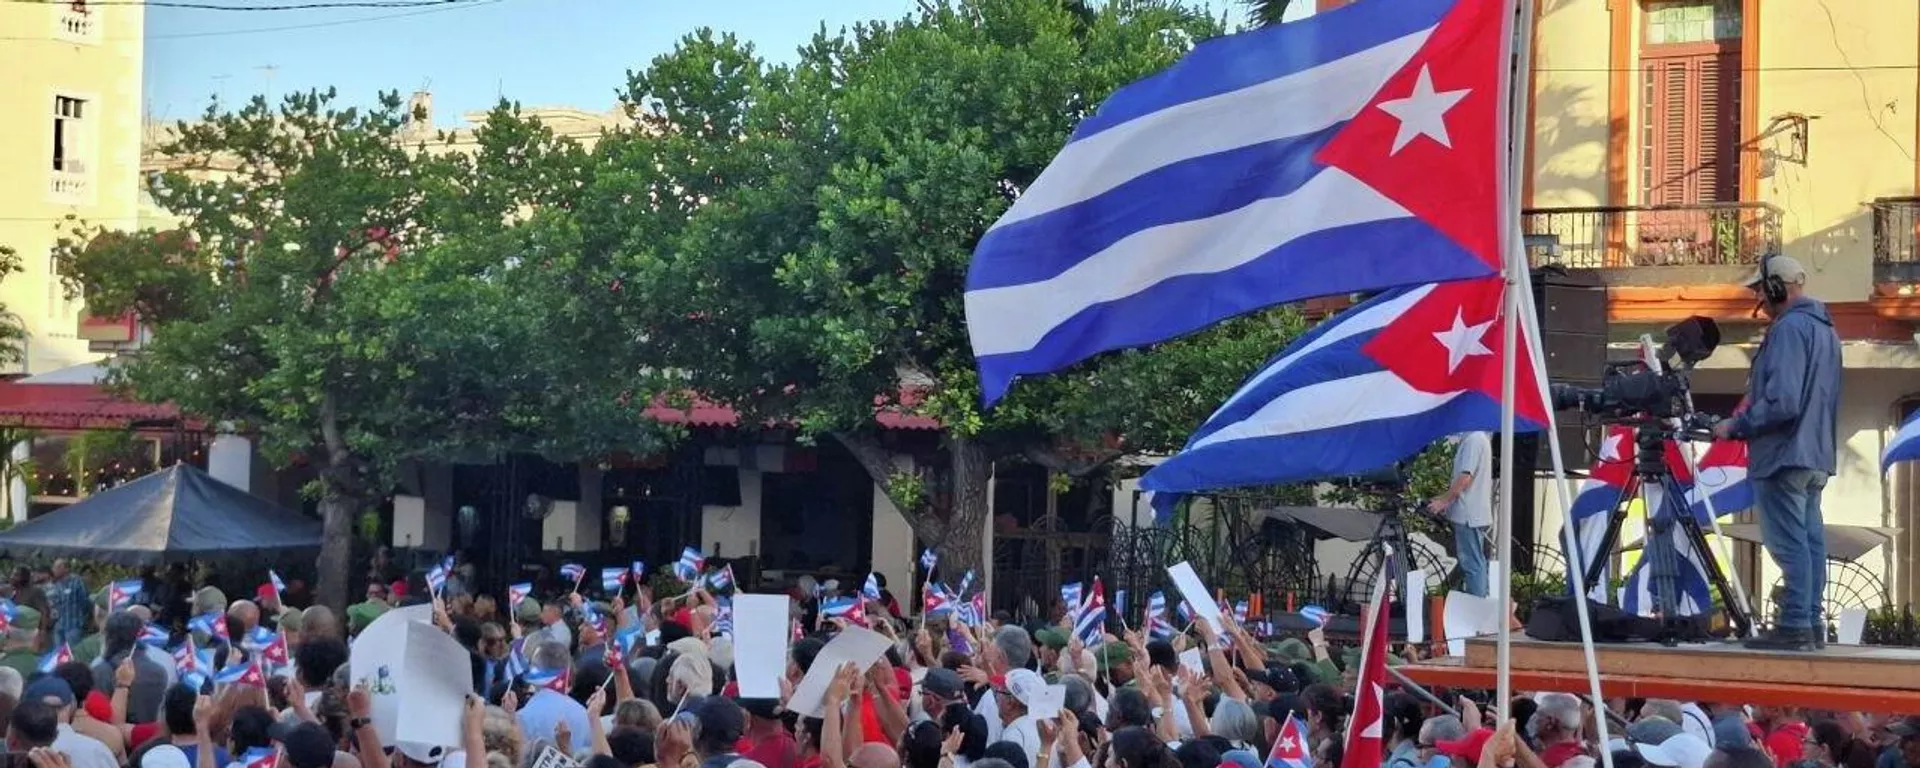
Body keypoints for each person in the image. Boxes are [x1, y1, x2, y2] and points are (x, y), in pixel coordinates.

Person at [1713, 255, 1840, 650]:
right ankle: (1811, 624)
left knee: (1788, 543)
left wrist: (1737, 425)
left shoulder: (1789, 330)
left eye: (1760, 291)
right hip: (1814, 454)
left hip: (1784, 454)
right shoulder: (1826, 331)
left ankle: (1796, 626)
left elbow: (1782, 401)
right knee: (1809, 541)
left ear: (1776, 287)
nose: (1759, 300)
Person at [1427, 431, 1493, 597]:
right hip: (1473, 512)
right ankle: (1472, 604)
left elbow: (1465, 476)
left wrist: (1443, 501)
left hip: (1467, 514)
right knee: (1474, 562)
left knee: (1472, 564)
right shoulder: (1479, 438)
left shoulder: (1474, 440)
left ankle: (1477, 608)